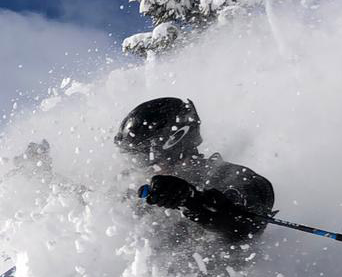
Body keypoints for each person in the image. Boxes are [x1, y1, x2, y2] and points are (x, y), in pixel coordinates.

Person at [115, 97, 275, 245]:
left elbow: (248, 228)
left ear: (173, 144)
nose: (140, 167)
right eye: (133, 159)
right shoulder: (138, 192)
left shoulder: (236, 180)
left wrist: (192, 200)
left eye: (143, 158)